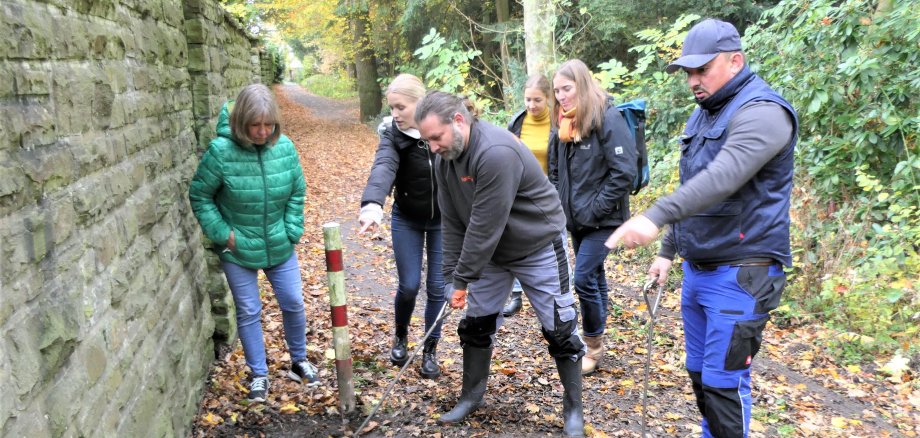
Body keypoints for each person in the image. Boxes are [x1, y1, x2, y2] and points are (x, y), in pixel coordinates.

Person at [606, 19, 798, 438]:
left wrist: (654, 216)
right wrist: (667, 251)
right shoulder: (703, 115)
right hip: (698, 269)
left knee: (724, 384)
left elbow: (724, 176)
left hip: (743, 272)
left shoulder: (763, 112)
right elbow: (694, 187)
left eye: (702, 70)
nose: (693, 81)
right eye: (688, 72)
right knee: (699, 375)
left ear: (735, 61)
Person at [415, 91, 586, 437]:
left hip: (536, 245)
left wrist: (462, 279)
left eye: (436, 137)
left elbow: (483, 226)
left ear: (459, 121)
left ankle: (574, 409)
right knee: (475, 325)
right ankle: (471, 396)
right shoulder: (443, 159)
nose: (432, 146)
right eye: (426, 140)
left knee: (560, 327)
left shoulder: (495, 153)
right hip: (491, 255)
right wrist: (450, 277)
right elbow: (451, 221)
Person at [189, 84, 321, 403]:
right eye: (255, 125)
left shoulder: (285, 147)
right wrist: (224, 234)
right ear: (241, 122)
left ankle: (298, 361)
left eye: (269, 124)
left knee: (293, 302)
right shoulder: (221, 152)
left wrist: (291, 229)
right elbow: (200, 195)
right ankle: (259, 374)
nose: (263, 132)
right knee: (249, 311)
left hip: (279, 242)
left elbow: (296, 191)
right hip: (238, 247)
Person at [548, 59, 637, 375]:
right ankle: (597, 340)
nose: (561, 96)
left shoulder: (606, 118)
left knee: (583, 277)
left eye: (567, 88)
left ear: (582, 85)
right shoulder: (563, 122)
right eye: (557, 90)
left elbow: (624, 172)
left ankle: (593, 347)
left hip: (605, 220)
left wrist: (595, 208)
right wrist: (561, 205)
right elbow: (555, 169)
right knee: (593, 276)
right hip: (574, 219)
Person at [358, 74, 445, 379]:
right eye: (391, 107)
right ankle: (400, 335)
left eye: (400, 107)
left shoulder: (442, 130)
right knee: (409, 284)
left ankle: (430, 349)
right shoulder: (392, 136)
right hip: (406, 217)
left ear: (420, 104)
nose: (395, 114)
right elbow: (384, 167)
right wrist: (372, 205)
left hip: (443, 222)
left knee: (438, 288)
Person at [500, 74, 555, 318]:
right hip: (521, 192)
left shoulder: (558, 123)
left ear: (548, 99)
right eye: (528, 100)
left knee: (552, 241)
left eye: (537, 100)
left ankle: (552, 292)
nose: (532, 105)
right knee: (518, 237)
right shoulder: (517, 122)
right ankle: (516, 294)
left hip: (550, 192)